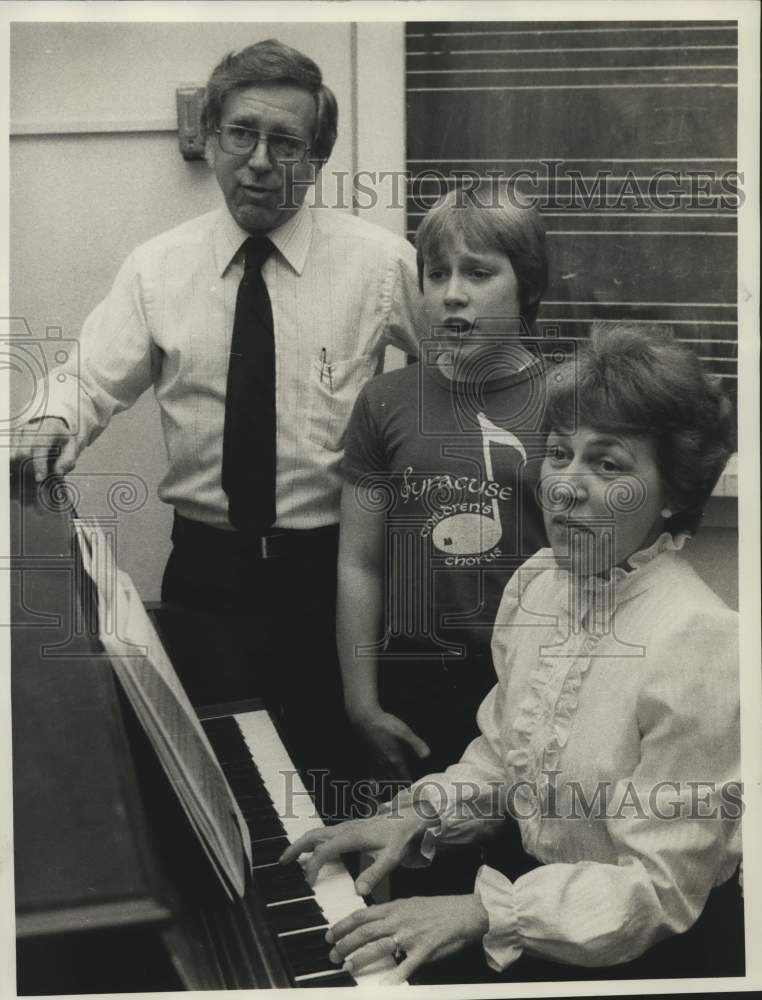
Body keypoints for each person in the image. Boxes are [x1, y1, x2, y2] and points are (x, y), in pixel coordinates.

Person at [10, 38, 425, 814]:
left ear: (319, 156)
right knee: (217, 795)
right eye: (241, 134)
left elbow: (466, 378)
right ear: (210, 136)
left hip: (332, 577)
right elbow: (85, 379)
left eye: (287, 142)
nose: (261, 161)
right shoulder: (157, 268)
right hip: (206, 575)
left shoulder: (377, 264)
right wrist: (45, 422)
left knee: (332, 788)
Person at [281, 323, 741, 984]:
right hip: (541, 914)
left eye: (608, 464)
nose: (563, 487)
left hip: (647, 952)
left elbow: (658, 894)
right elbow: (505, 760)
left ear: (672, 495)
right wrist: (419, 811)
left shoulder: (701, 642)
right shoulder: (538, 586)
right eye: (558, 453)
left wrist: (479, 912)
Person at [338, 181, 548, 796]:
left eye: (479, 273)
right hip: (417, 679)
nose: (453, 294)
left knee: (525, 867)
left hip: (527, 677)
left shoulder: (571, 405)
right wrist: (362, 703)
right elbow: (360, 561)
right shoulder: (386, 402)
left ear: (528, 284)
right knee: (418, 848)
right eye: (436, 274)